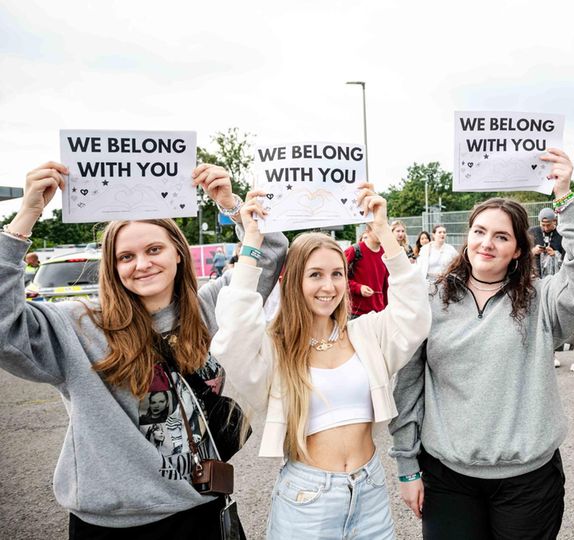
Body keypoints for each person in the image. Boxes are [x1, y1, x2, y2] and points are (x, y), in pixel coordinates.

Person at [0, 161, 286, 537]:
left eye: (154, 249)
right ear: (113, 266)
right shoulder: (79, 325)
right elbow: (6, 328)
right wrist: (26, 217)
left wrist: (230, 204)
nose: (142, 264)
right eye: (126, 256)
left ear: (178, 253)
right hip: (112, 525)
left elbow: (270, 255)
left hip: (201, 513)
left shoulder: (210, 307)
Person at [389, 148, 574, 539]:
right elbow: (408, 388)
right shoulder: (429, 300)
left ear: (518, 250)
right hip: (449, 478)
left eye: (501, 236)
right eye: (479, 232)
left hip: (528, 483)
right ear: (467, 236)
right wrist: (406, 465)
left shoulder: (542, 300)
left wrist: (565, 198)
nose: (487, 243)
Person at [210, 183, 430, 539]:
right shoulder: (274, 348)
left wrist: (384, 233)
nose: (328, 286)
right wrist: (250, 244)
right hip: (307, 501)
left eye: (337, 274)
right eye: (315, 274)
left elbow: (415, 315)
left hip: (371, 493)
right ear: (294, 280)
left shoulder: (366, 335)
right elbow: (232, 335)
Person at [345, 225, 390, 317]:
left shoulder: (386, 253)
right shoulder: (354, 250)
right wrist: (358, 288)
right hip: (356, 313)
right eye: (379, 231)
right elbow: (336, 278)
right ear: (368, 231)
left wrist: (387, 309)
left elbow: (386, 286)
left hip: (379, 313)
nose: (383, 234)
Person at [530, 207, 565, 277]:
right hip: (536, 275)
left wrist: (555, 254)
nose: (546, 228)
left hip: (556, 276)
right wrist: (533, 251)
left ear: (554, 221)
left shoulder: (561, 234)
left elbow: (567, 257)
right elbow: (522, 253)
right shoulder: (532, 232)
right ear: (539, 222)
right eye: (543, 225)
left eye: (548, 225)